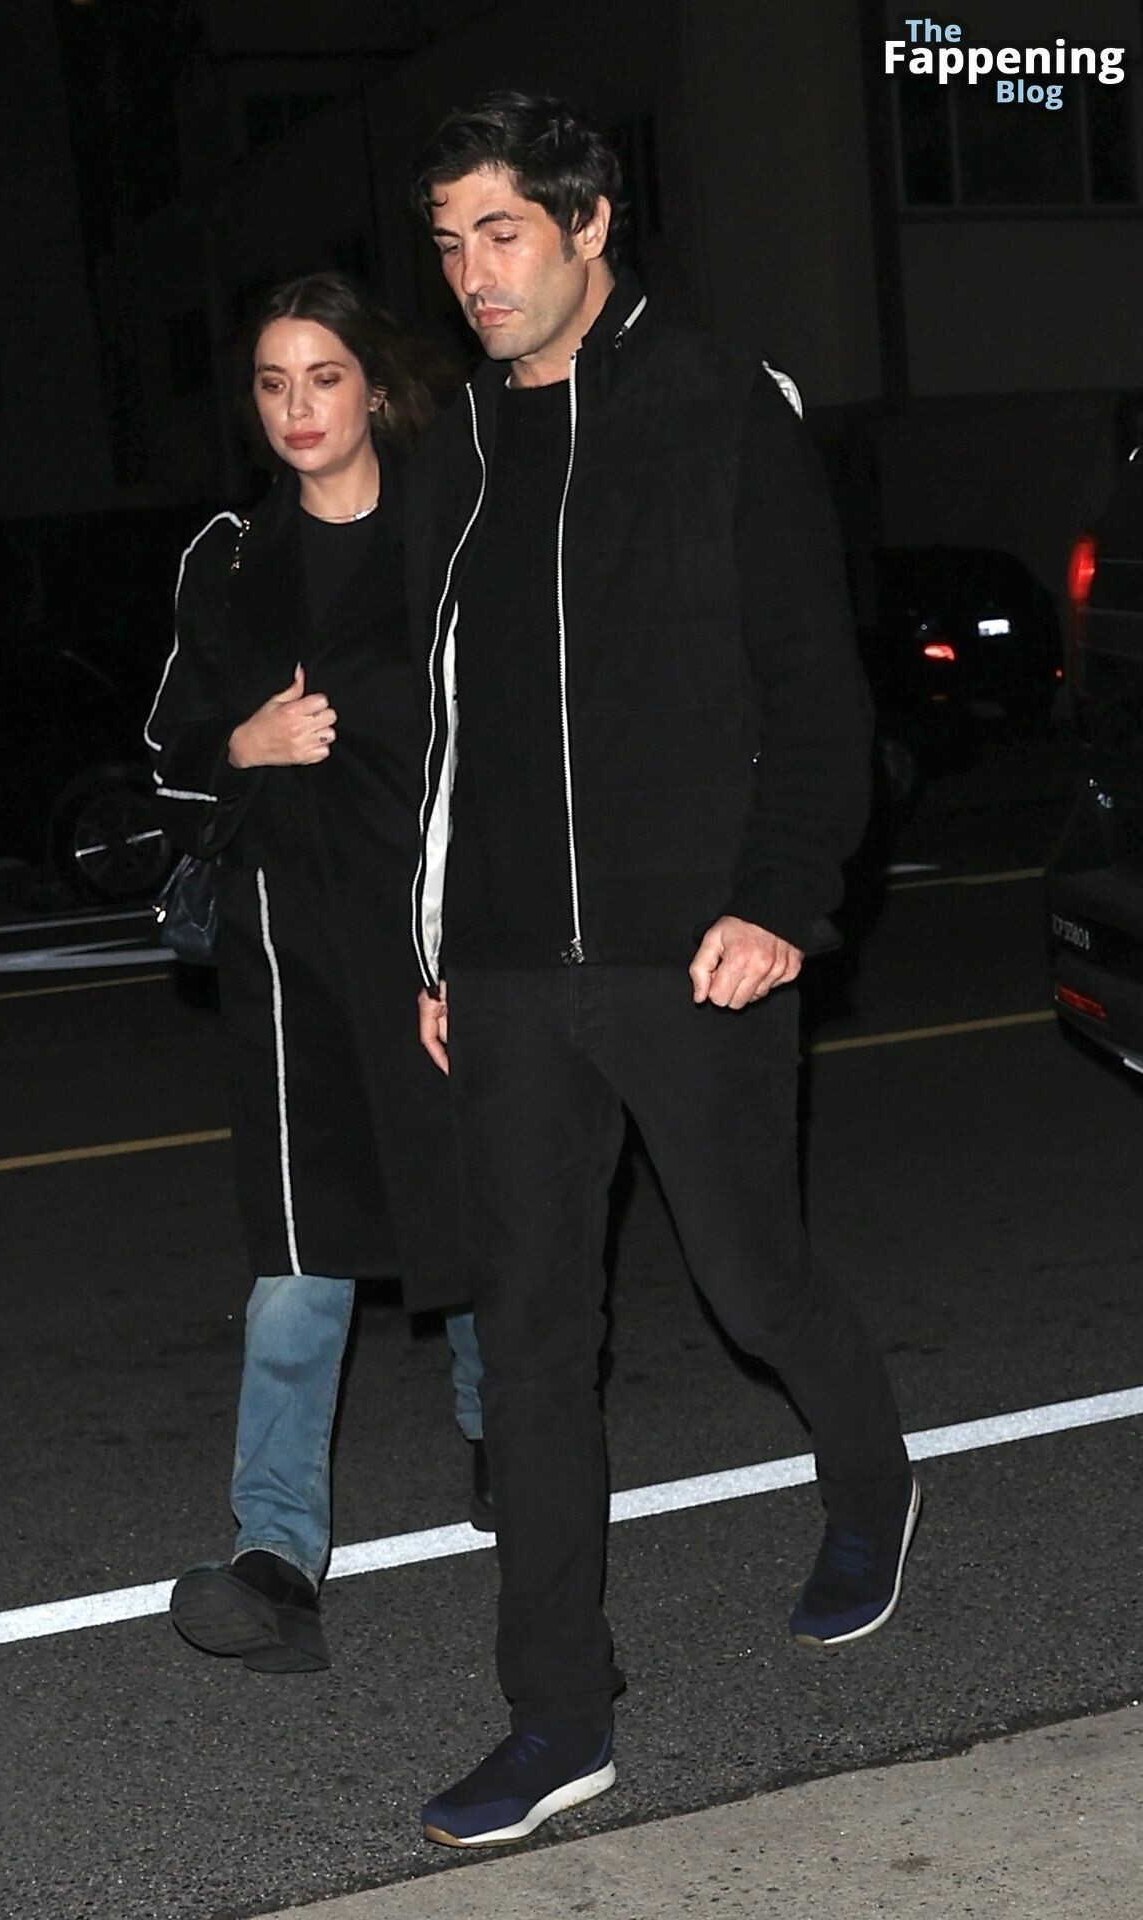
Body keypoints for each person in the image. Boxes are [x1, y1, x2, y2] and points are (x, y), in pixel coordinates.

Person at [405, 92, 918, 1845]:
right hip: (510, 972)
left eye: (502, 233)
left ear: (589, 224)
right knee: (530, 1341)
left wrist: (779, 899)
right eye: (450, 243)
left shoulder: (720, 405)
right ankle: (560, 1714)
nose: (474, 274)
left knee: (752, 1286)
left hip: (696, 952)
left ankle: (872, 1485)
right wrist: (437, 944)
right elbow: (443, 728)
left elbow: (819, 690)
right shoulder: (464, 447)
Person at [146, 272, 489, 1677]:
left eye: (324, 377)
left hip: (440, 934)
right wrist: (245, 747)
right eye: (274, 383)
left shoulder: (453, 531)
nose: (298, 407)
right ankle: (275, 1558)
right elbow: (168, 762)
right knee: (298, 1257)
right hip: (287, 951)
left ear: (375, 388)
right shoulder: (229, 562)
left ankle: (510, 1445)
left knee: (473, 1212)